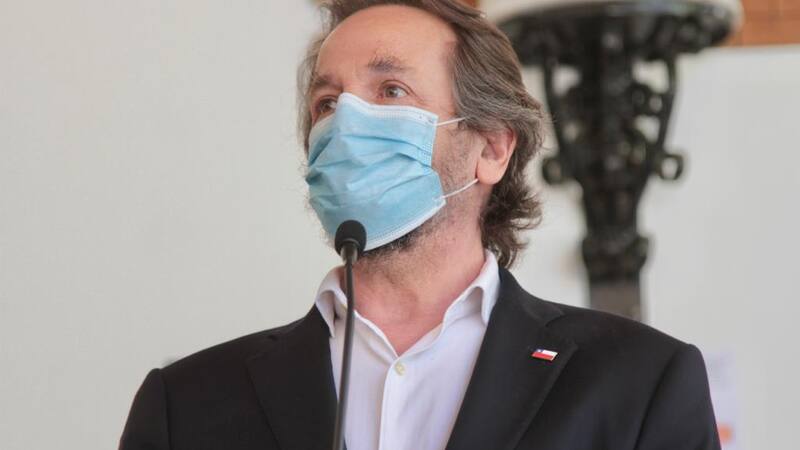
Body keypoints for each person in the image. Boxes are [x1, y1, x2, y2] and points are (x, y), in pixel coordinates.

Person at [119, 1, 720, 449]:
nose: (346, 124)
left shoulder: (640, 383)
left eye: (390, 90)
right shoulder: (185, 405)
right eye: (327, 103)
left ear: (492, 148)